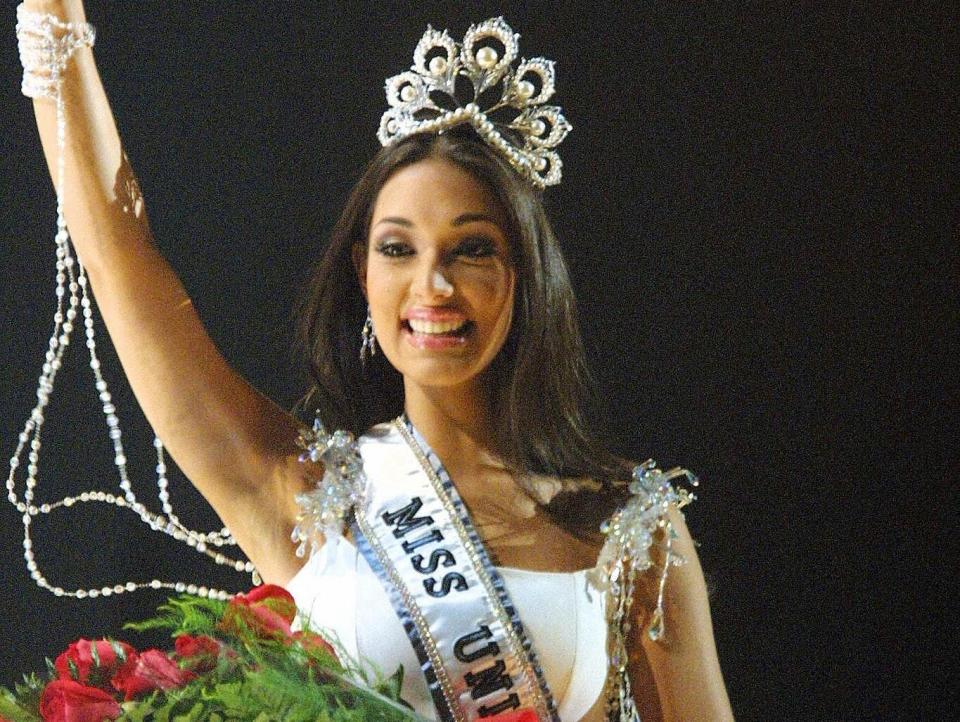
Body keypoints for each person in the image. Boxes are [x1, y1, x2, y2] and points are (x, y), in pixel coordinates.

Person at [14, 1, 733, 720]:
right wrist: (52, 16)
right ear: (364, 275)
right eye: (399, 249)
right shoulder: (302, 497)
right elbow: (116, 253)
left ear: (524, 274)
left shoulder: (629, 529)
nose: (433, 285)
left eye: (473, 248)